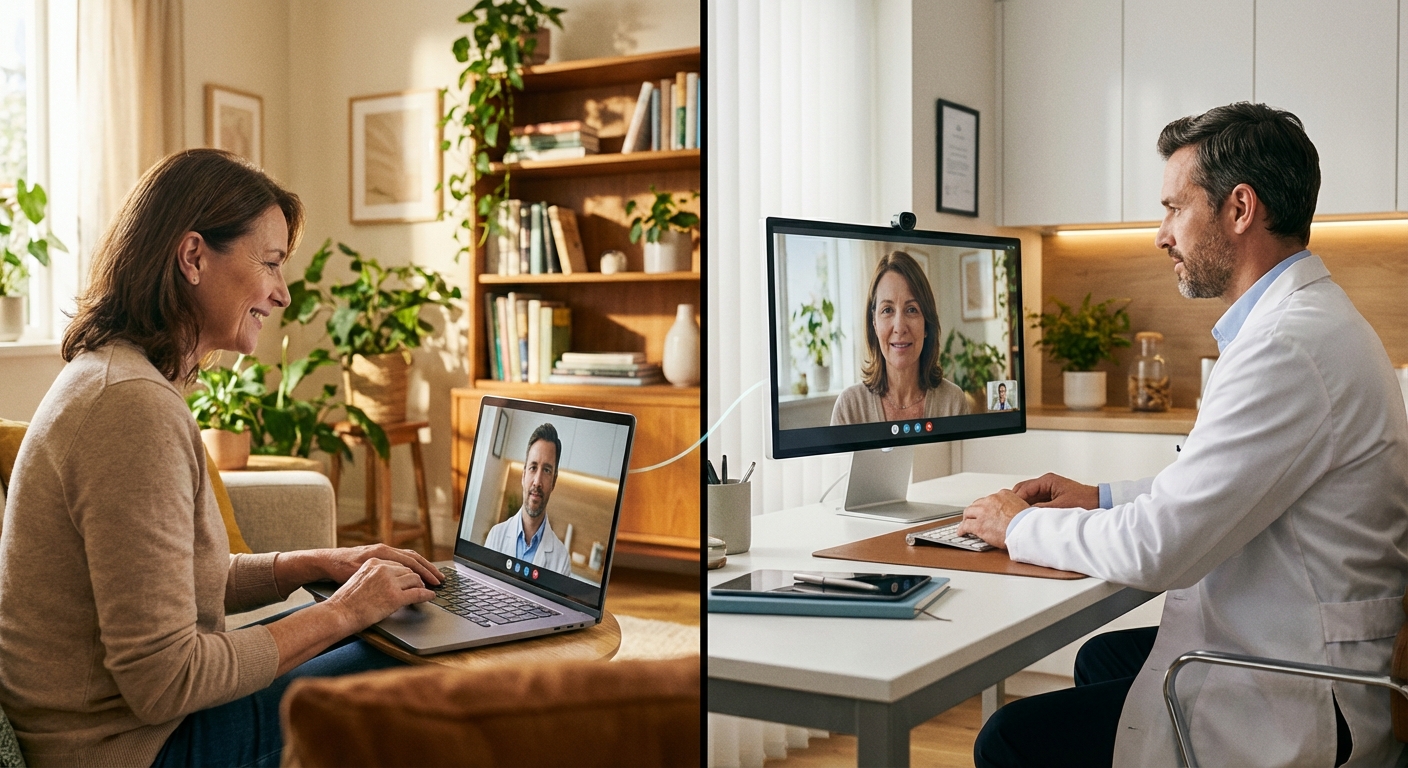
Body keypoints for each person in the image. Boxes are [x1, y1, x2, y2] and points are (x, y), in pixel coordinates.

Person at [960, 103, 1408, 767]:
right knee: (1102, 655)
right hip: (1300, 642)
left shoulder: (1286, 347)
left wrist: (1014, 526)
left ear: (1240, 208)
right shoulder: (1309, 323)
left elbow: (1159, 548)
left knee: (1009, 740)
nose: (1160, 234)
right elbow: (1217, 484)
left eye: (1174, 207)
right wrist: (1102, 497)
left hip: (1301, 693)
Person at [0, 149, 445, 768]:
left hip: (126, 727)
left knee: (388, 638)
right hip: (128, 749)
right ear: (193, 257)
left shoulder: (119, 380)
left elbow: (175, 584)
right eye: (269, 264)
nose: (282, 293)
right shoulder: (129, 408)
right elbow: (165, 680)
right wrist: (345, 610)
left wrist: (314, 563)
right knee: (417, 669)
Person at [830, 250, 968, 424]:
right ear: (874, 323)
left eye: (911, 309)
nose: (900, 327)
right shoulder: (850, 408)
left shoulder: (953, 403)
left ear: (927, 323)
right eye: (887, 310)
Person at [484, 423, 573, 576]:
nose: (537, 481)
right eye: (533, 467)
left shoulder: (561, 560)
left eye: (546, 470)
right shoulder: (496, 536)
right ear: (524, 475)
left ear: (554, 482)